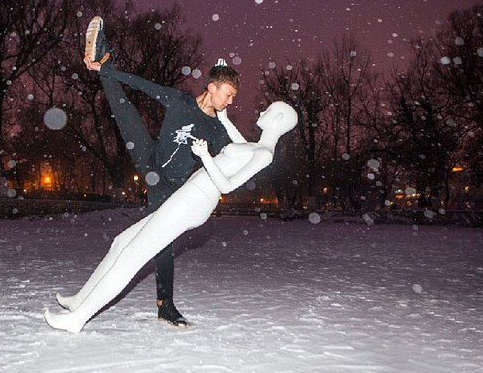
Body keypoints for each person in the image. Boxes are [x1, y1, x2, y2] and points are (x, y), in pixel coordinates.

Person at [45, 100, 298, 333]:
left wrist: (206, 157)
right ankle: (80, 300)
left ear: (277, 120)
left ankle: (77, 320)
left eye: (268, 110)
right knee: (122, 242)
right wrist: (223, 115)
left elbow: (227, 186)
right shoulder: (254, 146)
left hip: (195, 201)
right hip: (190, 195)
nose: (262, 112)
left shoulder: (264, 154)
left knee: (134, 254)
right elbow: (236, 141)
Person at [62, 16, 244, 327]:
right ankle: (103, 57)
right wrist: (105, 71)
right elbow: (143, 85)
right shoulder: (180, 101)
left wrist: (226, 121)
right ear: (211, 87)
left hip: (171, 186)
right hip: (150, 160)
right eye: (227, 94)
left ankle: (166, 305)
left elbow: (242, 152)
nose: (229, 101)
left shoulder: (215, 129)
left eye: (232, 98)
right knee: (124, 108)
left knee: (161, 243)